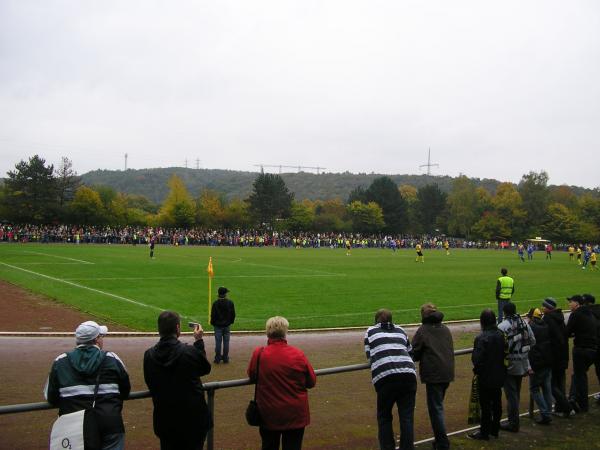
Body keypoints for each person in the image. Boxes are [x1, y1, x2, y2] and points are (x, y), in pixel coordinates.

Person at [44, 320, 131, 450]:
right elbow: (126, 390)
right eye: (101, 336)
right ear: (96, 340)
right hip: (110, 422)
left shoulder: (60, 362)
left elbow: (51, 397)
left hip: (74, 426)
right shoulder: (112, 358)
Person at [143, 311, 212, 450]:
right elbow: (204, 368)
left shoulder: (149, 356)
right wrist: (199, 341)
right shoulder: (189, 351)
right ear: (178, 328)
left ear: (159, 329)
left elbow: (150, 381)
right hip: (193, 421)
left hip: (166, 422)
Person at [247, 316, 316, 450]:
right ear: (285, 333)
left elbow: (252, 375)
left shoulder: (259, 354)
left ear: (268, 332)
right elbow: (311, 381)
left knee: (269, 445)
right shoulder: (298, 354)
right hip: (295, 414)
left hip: (269, 413)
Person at [365, 309, 417, 450]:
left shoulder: (370, 331)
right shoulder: (400, 330)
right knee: (406, 417)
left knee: (384, 417)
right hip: (408, 375)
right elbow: (410, 352)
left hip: (386, 377)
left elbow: (369, 355)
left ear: (376, 321)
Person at [411, 304, 455, 450]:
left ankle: (442, 443)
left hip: (434, 374)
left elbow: (414, 353)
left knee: (436, 409)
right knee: (438, 406)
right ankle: (439, 441)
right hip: (447, 372)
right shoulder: (445, 328)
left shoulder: (423, 330)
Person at [467, 309, 507, 441]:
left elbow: (476, 359)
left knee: (485, 406)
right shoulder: (501, 334)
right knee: (496, 403)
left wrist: (478, 370)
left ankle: (484, 432)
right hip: (499, 374)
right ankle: (494, 429)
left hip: (485, 376)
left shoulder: (482, 338)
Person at [498, 302, 535, 432]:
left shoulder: (502, 326)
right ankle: (513, 420)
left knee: (511, 395)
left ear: (504, 312)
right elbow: (532, 340)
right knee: (516, 393)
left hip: (508, 365)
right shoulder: (524, 323)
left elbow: (498, 346)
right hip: (522, 363)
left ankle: (513, 423)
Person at [565, 295, 597, 413]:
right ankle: (574, 398)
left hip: (581, 349)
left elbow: (567, 331)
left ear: (577, 303)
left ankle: (582, 404)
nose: (569, 304)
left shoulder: (576, 314)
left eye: (571, 302)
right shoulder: (590, 313)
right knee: (578, 375)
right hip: (593, 349)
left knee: (580, 376)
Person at [541, 297, 572, 416]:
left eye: (544, 306)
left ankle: (566, 407)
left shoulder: (548, 319)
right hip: (563, 355)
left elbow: (550, 338)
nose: (542, 308)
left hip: (555, 356)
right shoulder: (559, 317)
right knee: (560, 382)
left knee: (552, 384)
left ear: (548, 308)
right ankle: (560, 408)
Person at [525, 308, 553, 425]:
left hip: (537, 363)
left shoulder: (531, 328)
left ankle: (545, 414)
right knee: (546, 387)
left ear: (532, 317)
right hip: (547, 361)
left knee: (534, 389)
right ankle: (548, 411)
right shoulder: (546, 326)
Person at [210, 286, 236, 364]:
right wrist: (230, 322)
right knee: (226, 342)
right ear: (225, 294)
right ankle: (225, 358)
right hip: (226, 325)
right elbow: (233, 314)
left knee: (218, 342)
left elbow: (213, 315)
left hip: (218, 326)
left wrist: (213, 323)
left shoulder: (215, 303)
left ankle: (217, 358)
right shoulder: (230, 302)